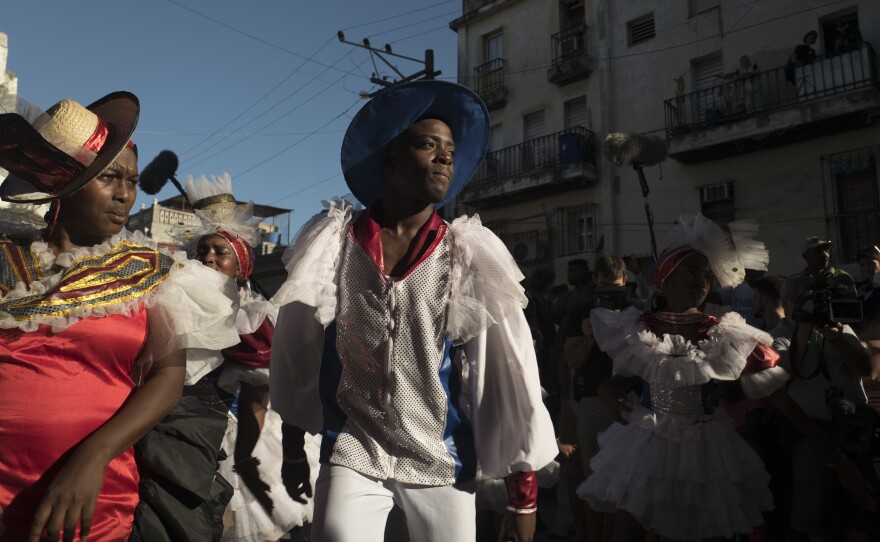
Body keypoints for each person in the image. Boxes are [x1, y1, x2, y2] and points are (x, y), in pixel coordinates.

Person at [269, 80, 557, 542]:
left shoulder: (467, 252)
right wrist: (293, 447)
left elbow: (507, 367)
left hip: (440, 457)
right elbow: (296, 350)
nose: (445, 156)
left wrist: (522, 486)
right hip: (353, 449)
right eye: (427, 144)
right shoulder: (334, 241)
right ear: (389, 158)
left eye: (450, 148)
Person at [0, 92, 238, 541]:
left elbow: (167, 379)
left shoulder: (153, 272)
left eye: (130, 179)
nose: (126, 194)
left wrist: (94, 455)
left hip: (94, 494)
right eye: (109, 177)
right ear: (65, 184)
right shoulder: (4, 260)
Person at [576, 215, 874, 541]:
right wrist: (609, 388)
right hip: (646, 444)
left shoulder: (721, 333)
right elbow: (633, 376)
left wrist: (834, 456)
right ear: (664, 279)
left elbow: (777, 396)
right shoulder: (639, 326)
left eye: (706, 276)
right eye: (690, 273)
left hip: (702, 450)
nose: (700, 282)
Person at [184, 173, 320, 542]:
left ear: (240, 264)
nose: (209, 258)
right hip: (189, 430)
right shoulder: (181, 301)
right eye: (203, 251)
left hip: (243, 435)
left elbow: (257, 396)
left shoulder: (252, 316)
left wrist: (243, 454)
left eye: (220, 252)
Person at [772, 274, 880, 540]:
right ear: (788, 303)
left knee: (864, 519)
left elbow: (865, 368)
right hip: (814, 437)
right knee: (821, 526)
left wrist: (834, 337)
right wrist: (805, 329)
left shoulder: (839, 327)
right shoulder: (777, 336)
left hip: (855, 432)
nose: (817, 307)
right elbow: (787, 371)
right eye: (808, 301)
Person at [562, 253, 630, 542]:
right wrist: (590, 339)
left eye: (615, 288)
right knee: (592, 480)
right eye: (604, 288)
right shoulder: (581, 311)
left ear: (625, 282)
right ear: (594, 281)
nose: (609, 296)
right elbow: (571, 360)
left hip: (626, 401)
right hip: (591, 400)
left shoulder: (632, 312)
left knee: (624, 483)